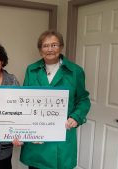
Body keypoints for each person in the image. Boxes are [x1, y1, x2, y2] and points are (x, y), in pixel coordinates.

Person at [19, 30, 91, 169]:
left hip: (62, 136)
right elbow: (24, 101)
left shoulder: (75, 71)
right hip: (37, 138)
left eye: (54, 45)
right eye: (45, 46)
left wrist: (76, 117)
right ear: (40, 50)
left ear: (61, 47)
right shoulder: (31, 69)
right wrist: (25, 131)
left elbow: (83, 99)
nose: (50, 49)